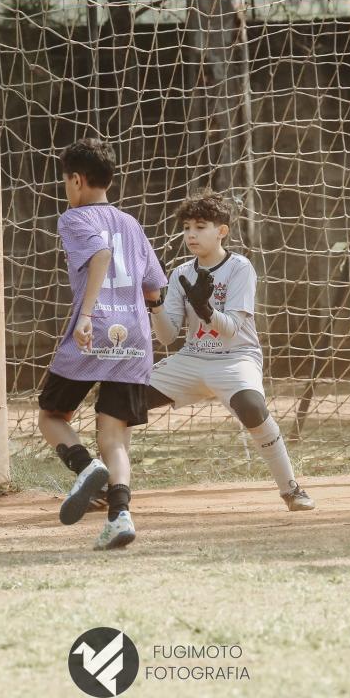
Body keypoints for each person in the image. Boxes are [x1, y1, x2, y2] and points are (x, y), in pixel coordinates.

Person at [147, 191, 315, 511]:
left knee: (252, 407)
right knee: (118, 401)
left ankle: (291, 490)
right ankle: (110, 488)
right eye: (186, 228)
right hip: (193, 358)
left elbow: (232, 328)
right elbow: (167, 338)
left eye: (200, 227)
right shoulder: (181, 273)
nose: (191, 235)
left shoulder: (240, 267)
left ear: (221, 231)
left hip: (236, 358)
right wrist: (155, 305)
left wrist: (205, 309)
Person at [37, 138, 166, 550]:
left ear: (76, 180)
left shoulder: (74, 218)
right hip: (134, 337)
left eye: (65, 181)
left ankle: (85, 465)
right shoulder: (131, 222)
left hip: (93, 332)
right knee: (114, 435)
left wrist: (87, 315)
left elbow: (100, 256)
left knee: (51, 416)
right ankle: (120, 516)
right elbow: (153, 288)